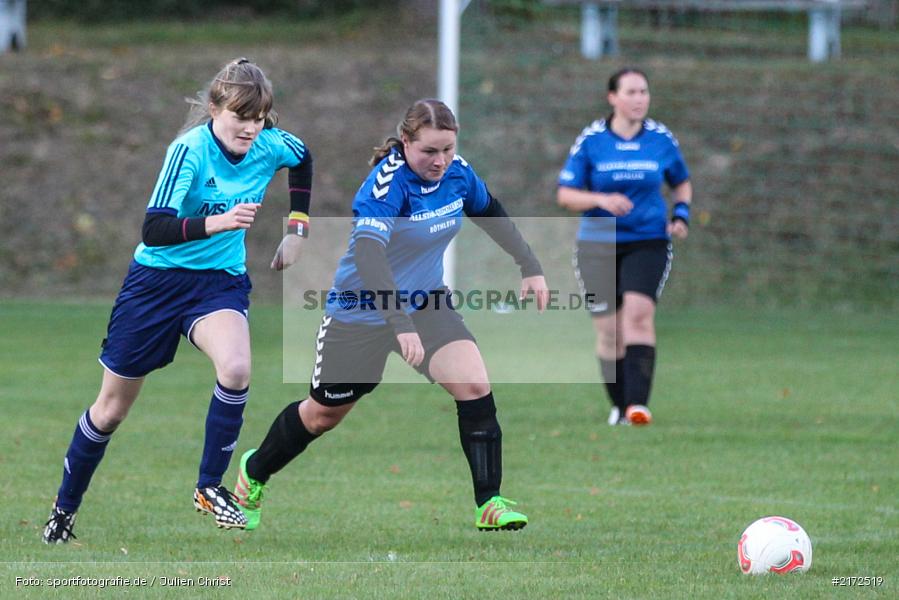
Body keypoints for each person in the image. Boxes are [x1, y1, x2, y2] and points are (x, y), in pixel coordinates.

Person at [231, 98, 549, 533]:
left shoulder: (458, 173)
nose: (440, 161)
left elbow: (488, 210)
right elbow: (369, 257)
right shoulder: (385, 186)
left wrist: (529, 265)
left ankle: (488, 502)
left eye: (448, 150)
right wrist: (398, 325)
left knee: (474, 384)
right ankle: (255, 471)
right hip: (360, 314)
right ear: (405, 142)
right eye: (429, 152)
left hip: (425, 302)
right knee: (322, 415)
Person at [42, 58, 314, 543]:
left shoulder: (270, 144)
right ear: (215, 108)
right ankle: (63, 511)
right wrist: (219, 221)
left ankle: (209, 487)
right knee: (110, 410)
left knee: (235, 369)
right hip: (156, 284)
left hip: (218, 282)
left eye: (258, 118)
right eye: (240, 116)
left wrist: (297, 228)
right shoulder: (188, 150)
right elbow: (154, 229)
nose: (250, 128)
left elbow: (303, 157)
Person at [556, 67, 692, 426]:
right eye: (630, 92)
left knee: (638, 315)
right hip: (597, 244)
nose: (639, 99)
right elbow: (566, 195)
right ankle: (619, 405)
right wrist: (601, 199)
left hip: (647, 240)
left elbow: (681, 182)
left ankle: (637, 407)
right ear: (612, 97)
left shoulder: (661, 139)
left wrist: (681, 214)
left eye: (644, 92)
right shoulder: (591, 140)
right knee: (609, 331)